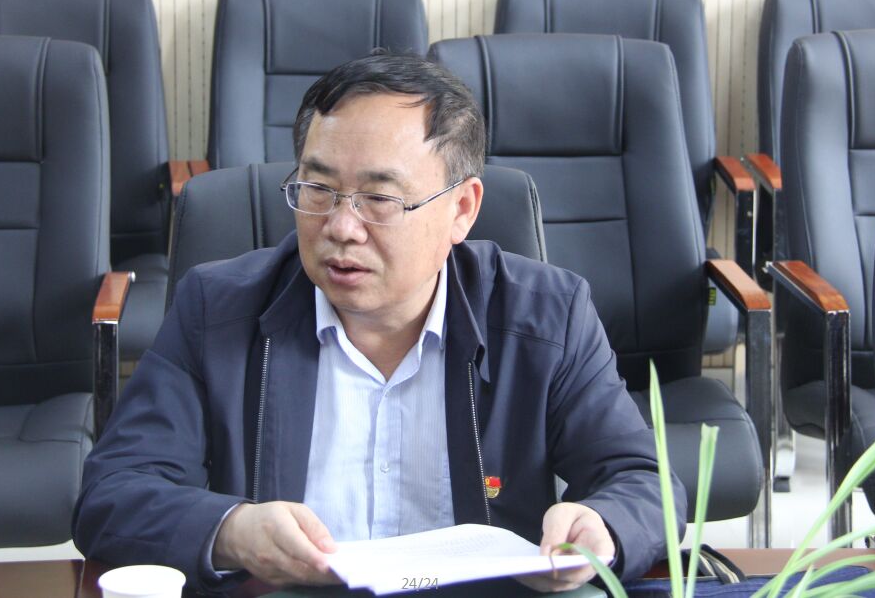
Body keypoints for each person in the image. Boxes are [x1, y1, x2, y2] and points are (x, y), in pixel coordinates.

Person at [73, 51, 683, 593]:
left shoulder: (546, 315)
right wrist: (232, 531)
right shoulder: (218, 309)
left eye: (380, 199)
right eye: (318, 188)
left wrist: (601, 525)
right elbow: (113, 494)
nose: (341, 227)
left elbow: (643, 481)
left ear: (461, 209)